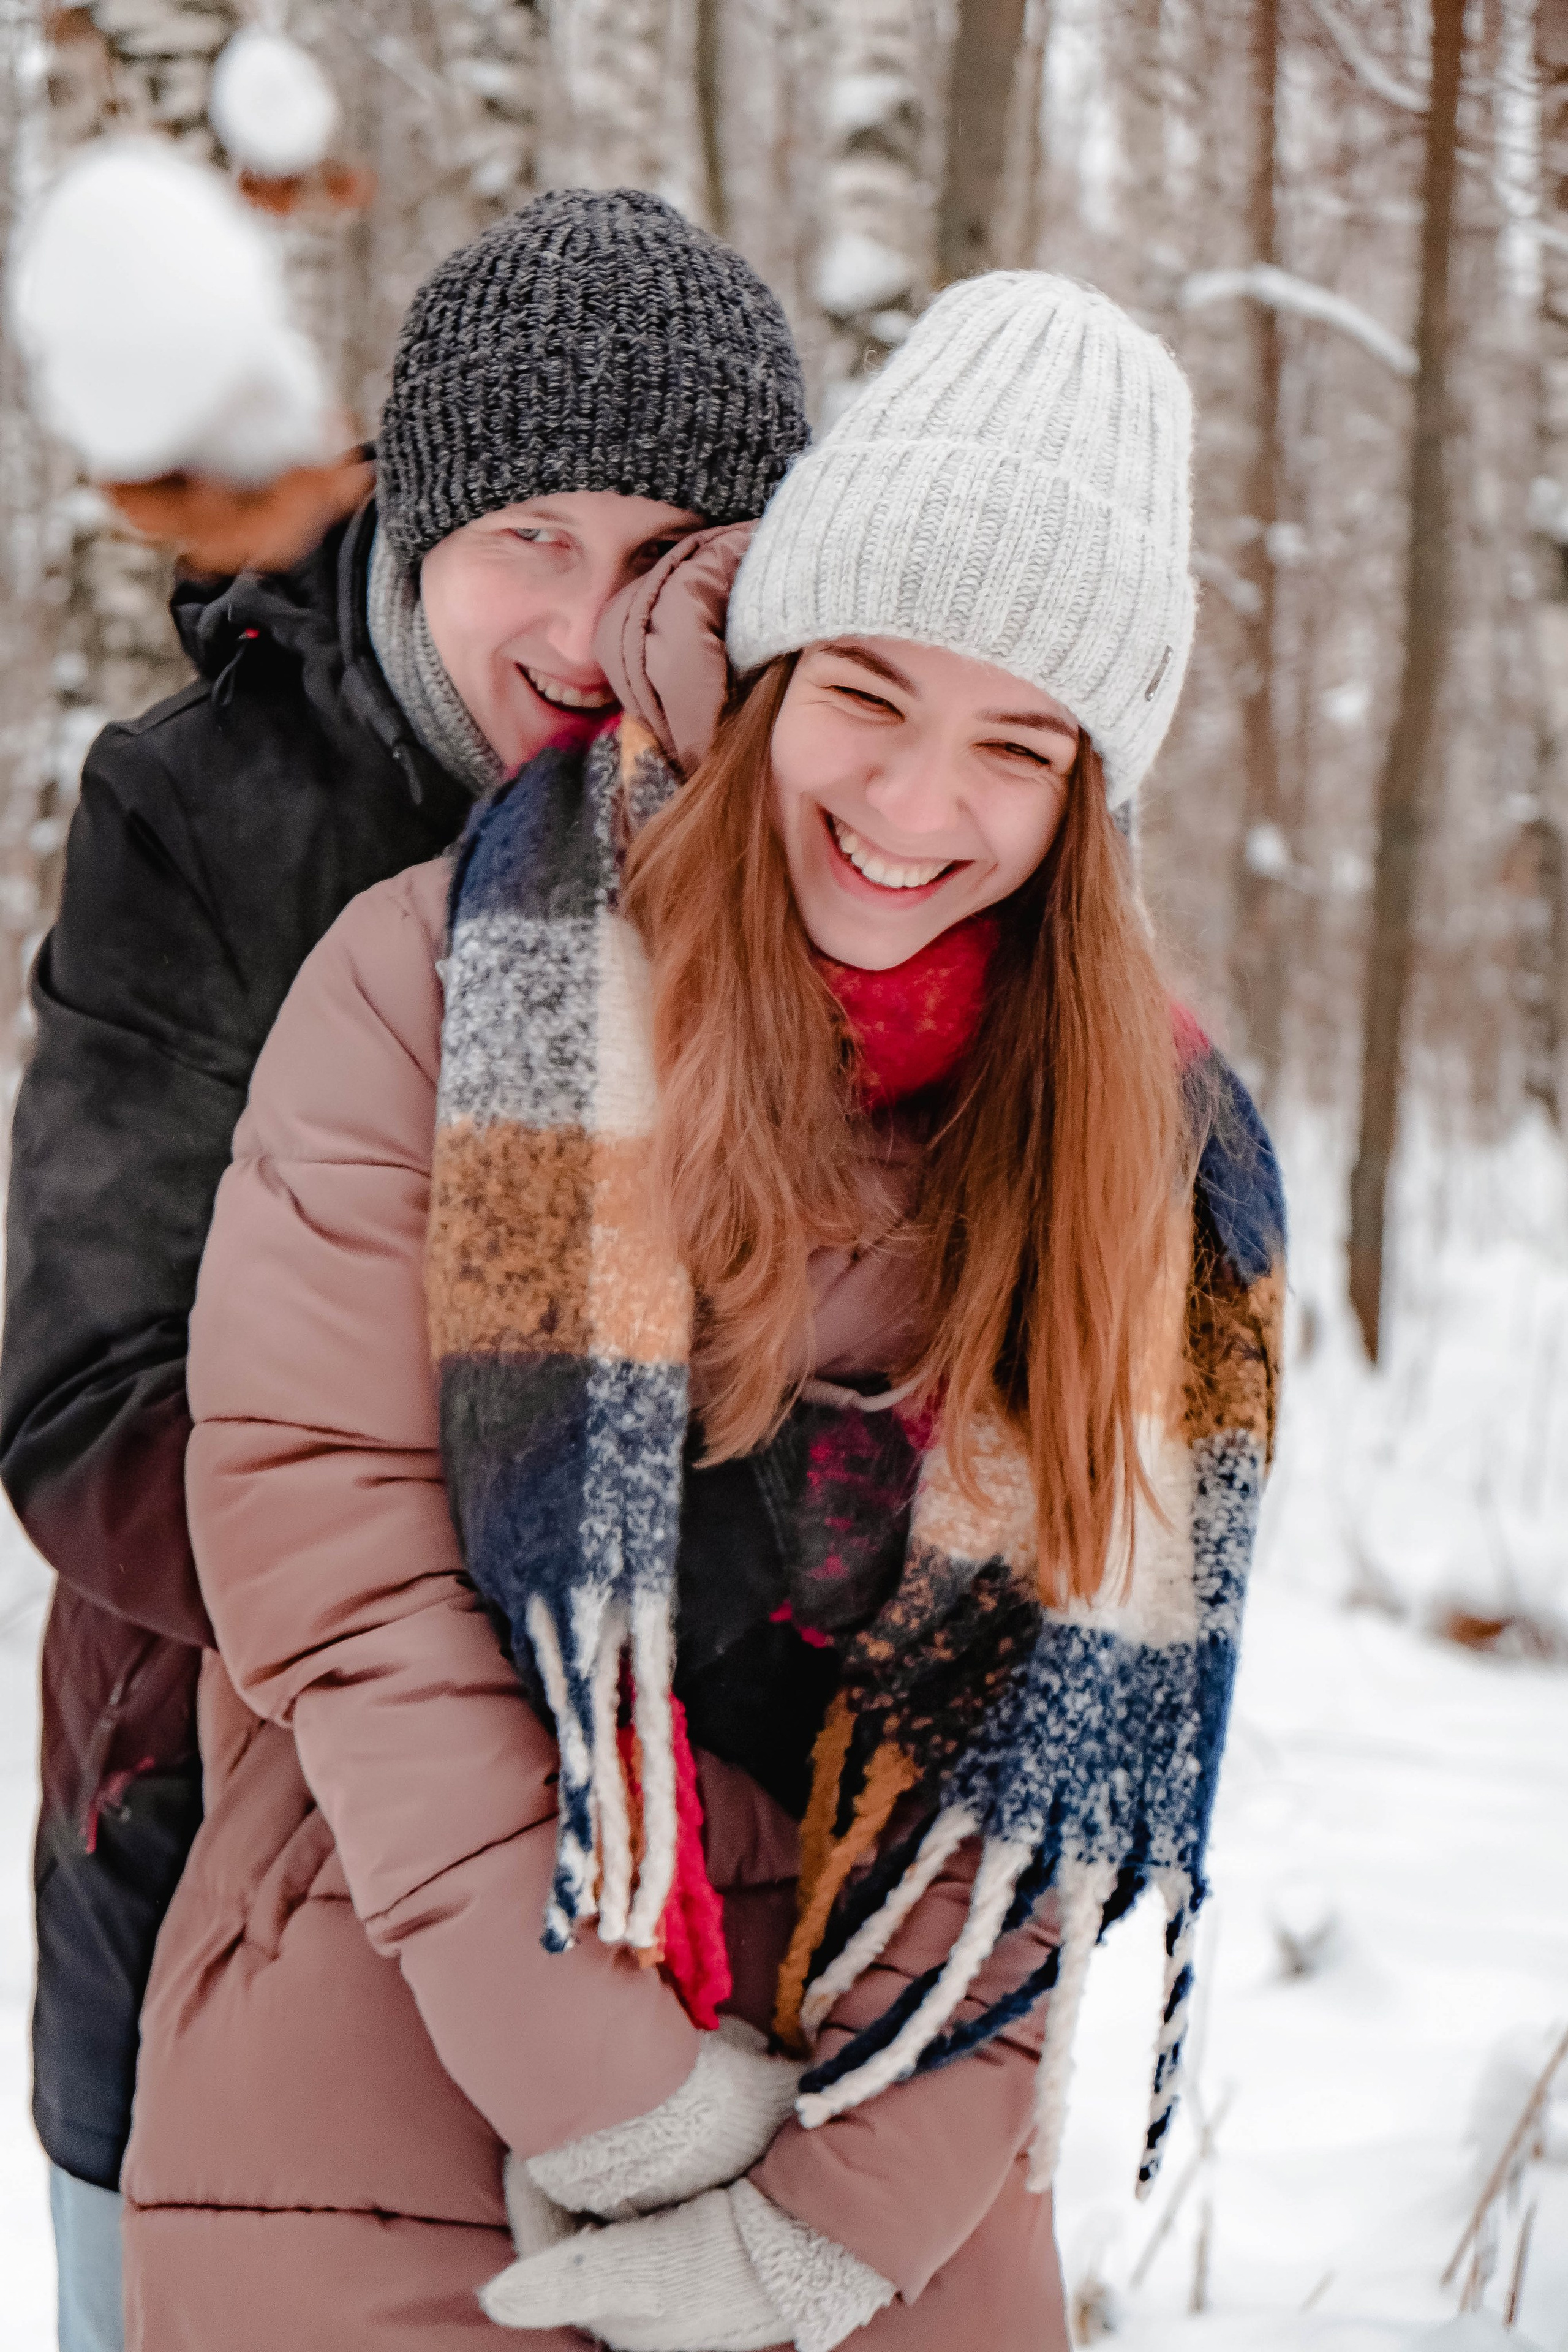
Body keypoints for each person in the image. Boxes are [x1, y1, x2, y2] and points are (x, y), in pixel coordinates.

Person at [121, 271, 1286, 2350]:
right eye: (867, 696)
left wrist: (843, 2214)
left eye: (1018, 745)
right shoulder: (450, 980)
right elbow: (332, 1539)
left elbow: (1056, 1751)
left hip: (892, 2073)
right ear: (764, 662)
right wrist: (609, 2084)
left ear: (1088, 800)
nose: (920, 808)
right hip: (416, 1982)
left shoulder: (1153, 1162)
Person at [0, 184, 809, 2352]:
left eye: (662, 553)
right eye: (527, 537)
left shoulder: (812, 845)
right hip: (217, 1853)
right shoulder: (205, 812)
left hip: (693, 1908)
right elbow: (88, 1404)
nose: (583, 622)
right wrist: (518, 1629)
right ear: (415, 534)